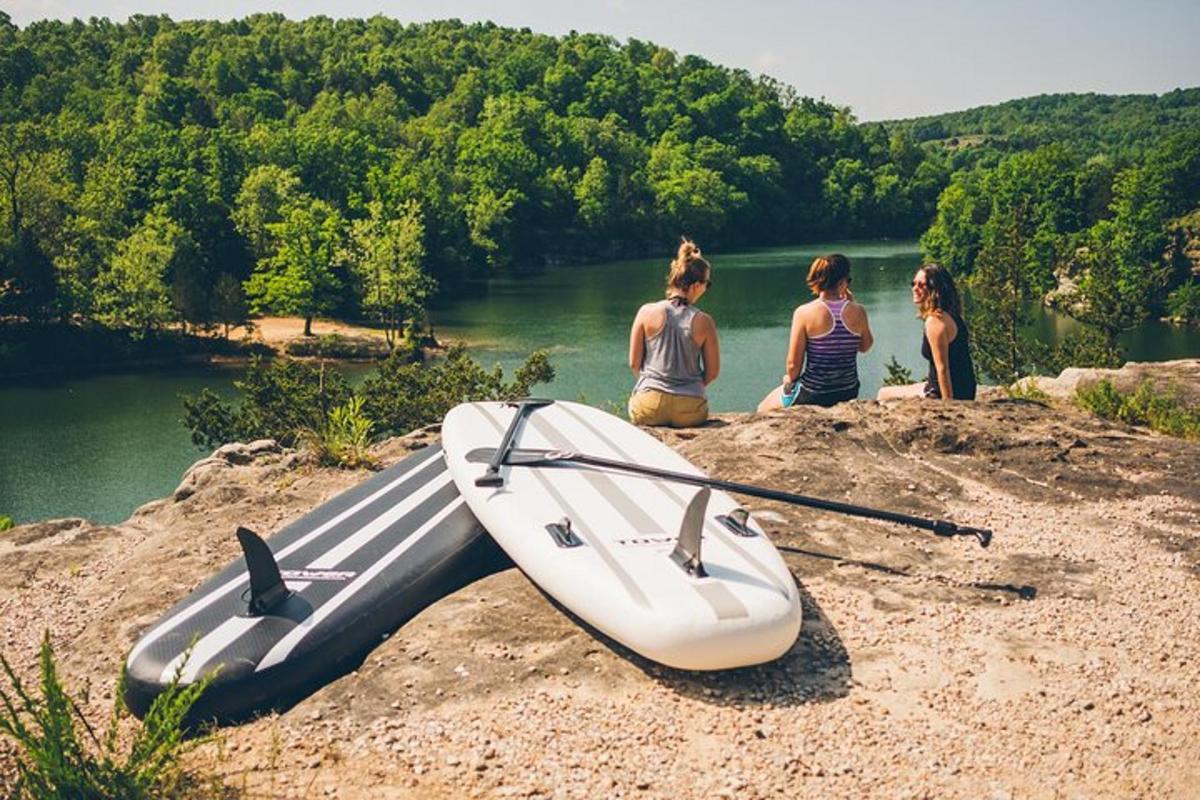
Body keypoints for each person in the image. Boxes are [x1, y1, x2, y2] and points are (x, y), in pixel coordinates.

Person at [757, 254, 873, 412]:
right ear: (843, 281)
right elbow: (865, 347)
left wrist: (789, 380)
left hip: (814, 394)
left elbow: (793, 365)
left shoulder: (804, 313)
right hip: (848, 391)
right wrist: (852, 303)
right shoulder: (858, 311)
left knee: (763, 408)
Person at [627, 239, 719, 427]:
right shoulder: (704, 321)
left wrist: (654, 385)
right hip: (690, 409)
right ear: (695, 286)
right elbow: (712, 372)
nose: (706, 289)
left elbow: (634, 363)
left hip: (649, 406)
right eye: (707, 284)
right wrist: (689, 387)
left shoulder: (645, 312)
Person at [877, 262, 977, 401]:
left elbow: (943, 369)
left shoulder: (935, 321)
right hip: (964, 388)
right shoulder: (951, 315)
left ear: (935, 290)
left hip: (943, 393)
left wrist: (950, 405)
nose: (915, 288)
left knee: (883, 393)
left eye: (921, 285)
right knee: (909, 387)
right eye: (913, 284)